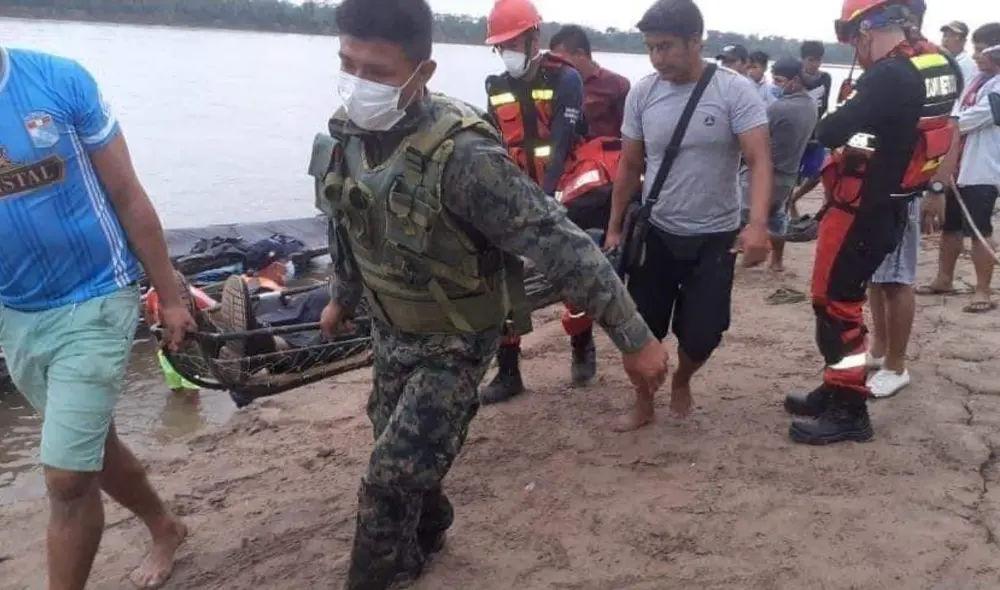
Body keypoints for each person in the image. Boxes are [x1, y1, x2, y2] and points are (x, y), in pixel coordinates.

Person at [312, 1, 668, 587]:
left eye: (375, 72)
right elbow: (348, 218)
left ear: (420, 73)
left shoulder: (464, 156)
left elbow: (560, 243)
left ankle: (377, 575)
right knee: (390, 433)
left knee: (388, 476)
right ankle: (432, 525)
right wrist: (340, 295)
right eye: (347, 64)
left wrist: (635, 337)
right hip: (390, 327)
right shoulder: (348, 133)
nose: (356, 84)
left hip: (454, 339)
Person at [0, 46, 193, 589]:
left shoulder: (59, 81)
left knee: (66, 478)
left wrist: (170, 295)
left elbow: (128, 195)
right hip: (15, 311)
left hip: (97, 293)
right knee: (90, 447)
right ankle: (164, 525)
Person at [783, 0, 960, 444]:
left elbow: (831, 131)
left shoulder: (888, 75)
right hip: (893, 203)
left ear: (863, 31)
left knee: (837, 304)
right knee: (833, 298)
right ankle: (836, 384)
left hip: (863, 207)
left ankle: (849, 410)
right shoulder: (938, 63)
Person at [603, 0, 772, 430]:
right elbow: (629, 166)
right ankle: (643, 402)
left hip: (716, 236)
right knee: (640, 329)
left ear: (696, 42)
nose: (658, 58)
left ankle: (682, 378)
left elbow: (759, 159)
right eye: (650, 48)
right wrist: (614, 228)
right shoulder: (643, 93)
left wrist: (757, 226)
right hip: (657, 232)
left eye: (666, 47)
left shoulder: (735, 91)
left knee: (703, 333)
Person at [481, 0, 625, 401]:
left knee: (569, 276)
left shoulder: (567, 80)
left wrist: (544, 202)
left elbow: (561, 144)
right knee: (504, 282)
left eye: (513, 42)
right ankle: (508, 373)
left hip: (561, 190)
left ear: (534, 39)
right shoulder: (495, 87)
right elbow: (494, 145)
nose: (507, 51)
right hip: (515, 192)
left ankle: (581, 346)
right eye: (500, 45)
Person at [918, 24, 1000, 313]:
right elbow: (954, 113)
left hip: (982, 169)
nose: (975, 56)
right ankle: (944, 279)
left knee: (979, 229)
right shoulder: (976, 79)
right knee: (950, 226)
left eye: (980, 50)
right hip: (956, 164)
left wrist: (946, 124)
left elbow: (966, 120)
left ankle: (982, 289)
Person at [740, 57, 818, 272]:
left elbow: (756, 137)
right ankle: (777, 262)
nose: (775, 84)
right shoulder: (811, 105)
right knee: (777, 218)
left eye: (779, 80)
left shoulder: (778, 109)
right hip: (790, 174)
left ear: (795, 80)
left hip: (766, 173)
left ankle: (746, 258)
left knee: (741, 216)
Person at [550, 24, 632, 139]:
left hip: (604, 153)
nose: (557, 65)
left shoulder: (617, 84)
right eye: (554, 60)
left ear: (580, 54)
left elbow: (631, 133)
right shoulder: (555, 85)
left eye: (561, 60)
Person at [143, 277, 218, 396]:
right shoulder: (152, 294)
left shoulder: (189, 292)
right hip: (166, 348)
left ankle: (192, 413)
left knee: (192, 388)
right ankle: (183, 411)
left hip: (188, 346)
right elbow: (149, 312)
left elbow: (214, 307)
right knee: (175, 388)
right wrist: (157, 337)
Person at [787, 40, 835, 214]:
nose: (814, 64)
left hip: (815, 130)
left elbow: (824, 105)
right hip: (796, 132)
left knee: (817, 174)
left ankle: (794, 199)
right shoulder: (794, 77)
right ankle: (788, 209)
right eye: (810, 60)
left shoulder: (825, 78)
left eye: (818, 60)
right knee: (790, 174)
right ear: (803, 59)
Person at [940, 20, 978, 88]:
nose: (946, 40)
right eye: (945, 35)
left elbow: (964, 94)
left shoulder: (967, 64)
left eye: (951, 36)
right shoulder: (942, 61)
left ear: (963, 41)